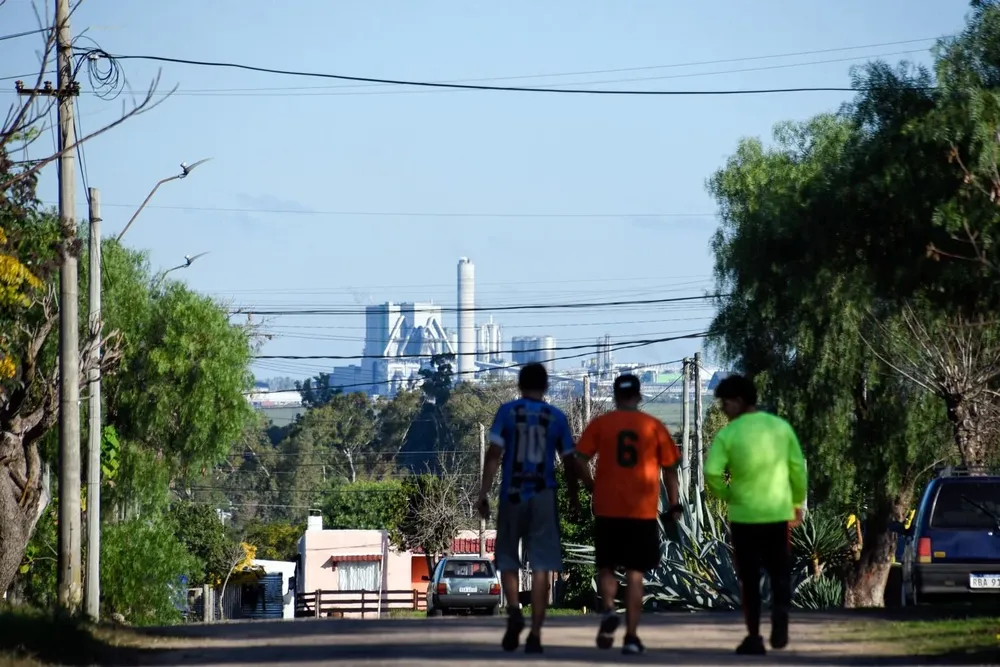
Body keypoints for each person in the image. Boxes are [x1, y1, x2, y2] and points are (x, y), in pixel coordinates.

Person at [477, 362, 582, 655]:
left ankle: (513, 610)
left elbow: (494, 454)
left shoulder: (507, 412)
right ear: (546, 386)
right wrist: (573, 496)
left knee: (508, 557)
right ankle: (535, 632)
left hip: (512, 492)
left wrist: (483, 492)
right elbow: (570, 461)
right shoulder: (557, 417)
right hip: (543, 494)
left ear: (520, 385)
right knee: (542, 565)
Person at [574, 374, 682, 656]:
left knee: (607, 567)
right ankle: (632, 637)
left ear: (614, 396)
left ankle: (609, 608)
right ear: (639, 395)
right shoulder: (653, 426)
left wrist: (590, 485)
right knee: (636, 574)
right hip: (642, 512)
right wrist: (673, 504)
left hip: (608, 508)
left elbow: (579, 459)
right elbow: (671, 469)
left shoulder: (602, 424)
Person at [704, 374, 807, 656]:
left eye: (725, 404)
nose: (724, 410)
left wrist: (728, 496)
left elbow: (712, 473)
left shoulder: (729, 434)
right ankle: (781, 616)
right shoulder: (779, 427)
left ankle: (754, 636)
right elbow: (797, 468)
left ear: (738, 401)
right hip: (777, 513)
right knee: (779, 571)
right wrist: (796, 502)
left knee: (748, 578)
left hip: (744, 516)